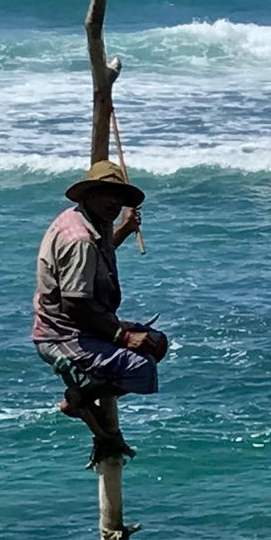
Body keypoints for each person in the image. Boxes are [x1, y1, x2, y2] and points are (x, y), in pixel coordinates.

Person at [33, 161, 168, 441]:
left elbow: (96, 258)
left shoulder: (93, 221)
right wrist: (122, 336)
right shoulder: (80, 240)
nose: (115, 203)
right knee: (142, 368)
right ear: (90, 194)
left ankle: (92, 387)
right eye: (108, 194)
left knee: (157, 343)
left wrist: (124, 229)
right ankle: (79, 398)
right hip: (64, 333)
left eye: (119, 197)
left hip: (88, 321)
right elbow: (75, 305)